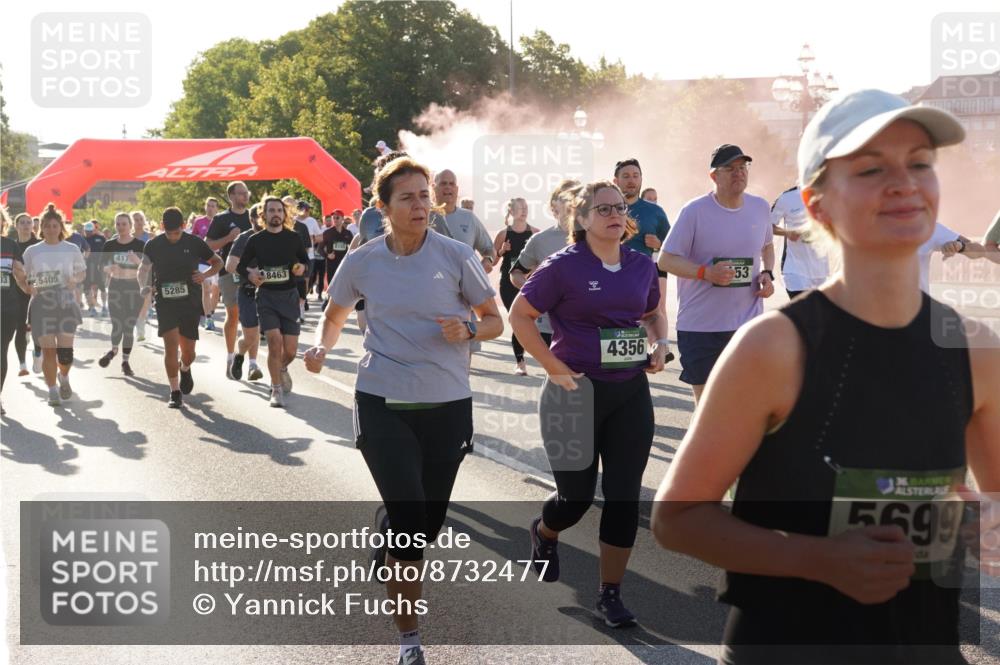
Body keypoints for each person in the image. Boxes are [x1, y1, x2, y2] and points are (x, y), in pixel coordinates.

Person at [651, 89, 1000, 665]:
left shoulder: (976, 349)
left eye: (919, 163)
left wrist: (976, 527)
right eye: (870, 168)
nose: (904, 183)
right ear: (816, 205)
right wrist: (821, 559)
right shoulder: (773, 347)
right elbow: (678, 519)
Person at [304, 157, 502, 665]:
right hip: (382, 399)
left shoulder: (457, 254)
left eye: (423, 195)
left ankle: (389, 528)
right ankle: (410, 640)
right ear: (383, 207)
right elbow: (335, 312)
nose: (419, 205)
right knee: (413, 523)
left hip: (447, 402)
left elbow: (493, 319)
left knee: (426, 525)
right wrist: (322, 348)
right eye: (407, 198)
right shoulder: (364, 259)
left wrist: (472, 331)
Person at [509, 180, 670, 628]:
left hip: (629, 393)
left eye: (619, 208)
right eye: (602, 209)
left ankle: (610, 593)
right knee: (576, 499)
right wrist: (551, 366)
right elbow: (519, 315)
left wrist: (660, 345)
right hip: (573, 393)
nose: (614, 215)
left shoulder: (639, 265)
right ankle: (544, 532)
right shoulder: (563, 266)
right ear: (581, 220)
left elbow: (653, 313)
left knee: (622, 499)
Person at [657, 144, 775, 404]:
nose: (738, 173)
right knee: (709, 408)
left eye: (742, 167)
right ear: (714, 176)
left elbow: (767, 245)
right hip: (702, 328)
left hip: (747, 327)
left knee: (748, 406)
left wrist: (767, 273)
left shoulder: (760, 207)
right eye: (729, 169)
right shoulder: (694, 211)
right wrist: (705, 272)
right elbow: (666, 260)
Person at [139, 207, 222, 408]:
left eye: (177, 233)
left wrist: (205, 275)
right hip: (165, 301)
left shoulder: (194, 242)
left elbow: (218, 262)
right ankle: (174, 391)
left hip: (190, 302)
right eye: (169, 233)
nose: (173, 237)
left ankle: (185, 368)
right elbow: (143, 268)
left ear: (184, 226)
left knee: (189, 352)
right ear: (162, 227)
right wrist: (145, 286)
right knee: (170, 347)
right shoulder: (153, 245)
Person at [237, 197, 309, 407]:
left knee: (291, 351)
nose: (275, 214)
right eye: (271, 211)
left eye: (279, 210)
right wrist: (250, 275)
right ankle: (276, 390)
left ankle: (281, 369)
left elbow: (305, 262)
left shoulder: (293, 238)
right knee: (274, 343)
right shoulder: (256, 240)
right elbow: (241, 267)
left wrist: (302, 268)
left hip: (289, 297)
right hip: (266, 297)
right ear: (264, 215)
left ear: (284, 215)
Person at [20, 204, 86, 407]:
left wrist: (74, 280)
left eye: (54, 225)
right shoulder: (32, 251)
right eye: (47, 226)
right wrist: (29, 287)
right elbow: (23, 276)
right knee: (49, 351)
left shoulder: (71, 248)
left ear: (61, 227)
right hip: (41, 304)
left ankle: (63, 376)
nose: (51, 229)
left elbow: (82, 272)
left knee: (65, 353)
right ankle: (51, 391)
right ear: (41, 228)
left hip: (65, 302)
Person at [509, 180, 582, 352]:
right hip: (549, 327)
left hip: (586, 325)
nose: (573, 202)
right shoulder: (540, 240)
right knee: (560, 374)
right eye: (567, 198)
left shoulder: (594, 236)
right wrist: (537, 292)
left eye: (577, 197)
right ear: (554, 206)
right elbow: (516, 272)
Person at [615, 159, 672, 352]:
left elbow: (674, 247)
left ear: (641, 179)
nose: (631, 180)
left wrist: (659, 244)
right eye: (626, 176)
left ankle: (658, 349)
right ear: (616, 181)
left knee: (650, 316)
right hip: (609, 278)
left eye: (635, 176)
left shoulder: (655, 212)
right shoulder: (605, 210)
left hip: (644, 280)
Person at [206, 181, 253, 379]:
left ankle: (252, 363)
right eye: (241, 193)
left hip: (252, 271)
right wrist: (228, 238)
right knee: (233, 314)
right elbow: (208, 245)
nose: (245, 196)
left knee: (251, 317)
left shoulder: (254, 217)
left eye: (246, 193)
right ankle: (230, 356)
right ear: (231, 196)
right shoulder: (221, 219)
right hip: (229, 271)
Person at [97, 213, 146, 376]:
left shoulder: (140, 244)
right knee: (117, 323)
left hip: (133, 289)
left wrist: (137, 261)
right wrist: (108, 269)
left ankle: (125, 361)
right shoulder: (110, 244)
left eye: (124, 224)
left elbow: (148, 267)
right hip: (116, 287)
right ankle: (113, 351)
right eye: (118, 224)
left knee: (129, 326)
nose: (120, 227)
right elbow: (101, 266)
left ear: (130, 225)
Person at [493, 197, 538, 374]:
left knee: (530, 320)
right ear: (511, 211)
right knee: (516, 320)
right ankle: (520, 363)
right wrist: (502, 251)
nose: (524, 210)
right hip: (507, 284)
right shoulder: (503, 234)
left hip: (529, 282)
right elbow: (493, 260)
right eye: (520, 207)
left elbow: (543, 259)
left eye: (526, 207)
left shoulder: (535, 233)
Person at [224, 204, 264, 382]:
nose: (265, 218)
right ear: (253, 219)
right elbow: (230, 266)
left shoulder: (278, 236)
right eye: (260, 215)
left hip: (273, 292)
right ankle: (239, 355)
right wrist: (250, 272)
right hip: (248, 291)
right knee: (251, 334)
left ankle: (254, 365)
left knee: (275, 335)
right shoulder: (244, 238)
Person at [770, 185, 831, 298]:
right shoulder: (787, 197)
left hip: (822, 272)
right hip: (795, 271)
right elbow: (767, 225)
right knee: (803, 313)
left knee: (817, 315)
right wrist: (788, 232)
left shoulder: (830, 195)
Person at [431, 169, 497, 273]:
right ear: (434, 188)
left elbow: (489, 249)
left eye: (451, 184)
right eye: (443, 183)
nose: (448, 187)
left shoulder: (468, 217)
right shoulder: (424, 217)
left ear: (456, 189)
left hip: (463, 286)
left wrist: (488, 260)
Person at [0, 208, 27, 415]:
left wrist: (37, 288)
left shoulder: (10, 245)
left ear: (4, 223)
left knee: (1, 352)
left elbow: (20, 275)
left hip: (7, 307)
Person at [12, 213, 40, 375]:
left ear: (33, 226)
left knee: (38, 326)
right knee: (20, 327)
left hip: (37, 291)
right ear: (16, 226)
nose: (26, 225)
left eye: (28, 222)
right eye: (22, 223)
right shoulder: (12, 246)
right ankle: (22, 364)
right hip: (16, 292)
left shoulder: (39, 245)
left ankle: (37, 354)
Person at [192, 197, 220, 330]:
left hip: (218, 261)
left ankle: (211, 314)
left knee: (216, 290)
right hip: (203, 261)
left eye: (213, 206)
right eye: (208, 205)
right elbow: (192, 238)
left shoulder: (221, 221)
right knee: (206, 288)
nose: (210, 208)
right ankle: (208, 318)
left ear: (217, 209)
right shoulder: (199, 222)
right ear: (205, 207)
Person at [320, 209, 353, 301]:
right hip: (332, 264)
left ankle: (341, 304)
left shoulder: (348, 233)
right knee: (332, 285)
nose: (335, 219)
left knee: (343, 284)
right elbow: (320, 249)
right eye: (333, 218)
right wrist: (328, 255)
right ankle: (329, 303)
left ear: (342, 219)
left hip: (344, 263)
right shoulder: (328, 233)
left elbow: (353, 247)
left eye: (337, 217)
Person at [132, 210, 154, 341]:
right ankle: (138, 322)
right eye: (136, 220)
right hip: (130, 273)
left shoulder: (151, 236)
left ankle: (140, 326)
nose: (139, 222)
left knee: (146, 299)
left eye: (140, 219)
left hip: (148, 271)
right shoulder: (127, 237)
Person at [82, 221, 108, 317]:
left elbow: (107, 251)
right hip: (86, 267)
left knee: (102, 287)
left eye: (90, 231)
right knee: (87, 288)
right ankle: (91, 307)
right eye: (86, 231)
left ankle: (104, 306)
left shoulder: (101, 238)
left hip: (99, 266)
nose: (88, 233)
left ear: (94, 230)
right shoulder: (83, 239)